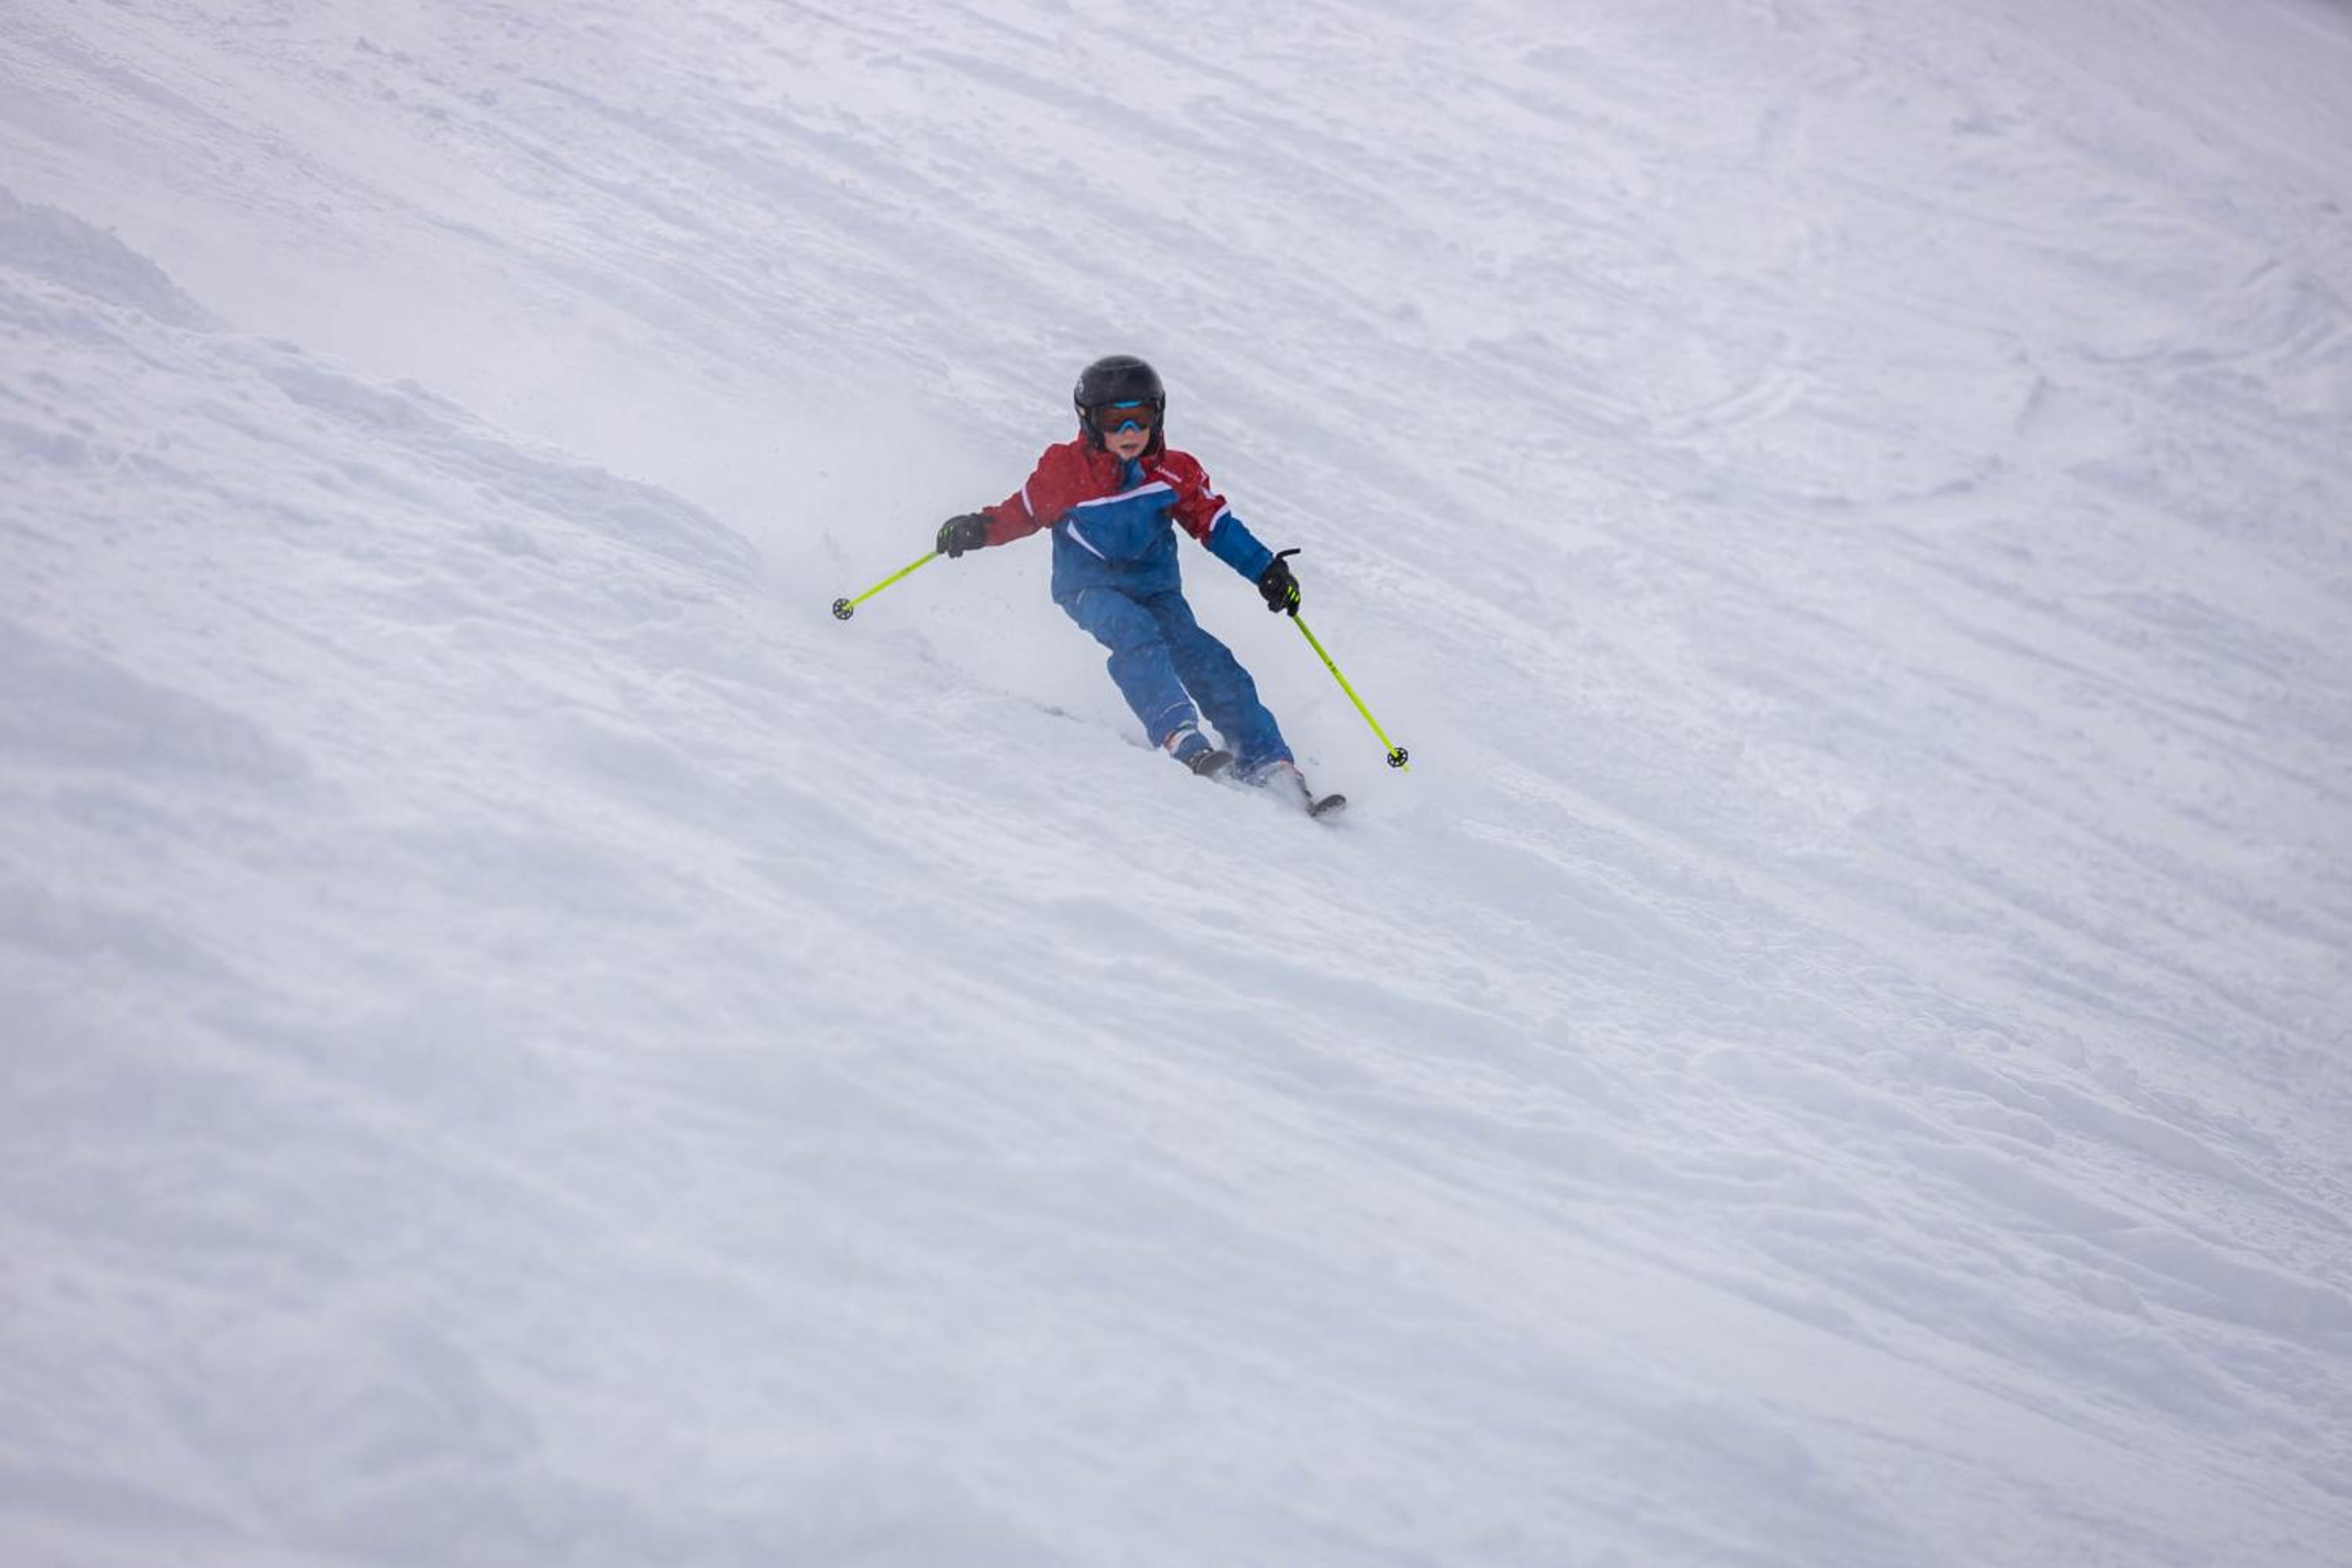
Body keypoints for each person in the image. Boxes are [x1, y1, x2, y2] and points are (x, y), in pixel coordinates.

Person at [934, 354, 1312, 793]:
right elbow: (1021, 514)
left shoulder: (1172, 472)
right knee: (1135, 633)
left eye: (1141, 417)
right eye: (1115, 421)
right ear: (1090, 420)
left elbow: (1216, 526)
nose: (1130, 432)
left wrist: (1265, 569)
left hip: (1157, 590)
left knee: (1204, 656)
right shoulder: (1065, 472)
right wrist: (978, 529)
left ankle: (1265, 758)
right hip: (1087, 587)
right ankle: (1179, 734)